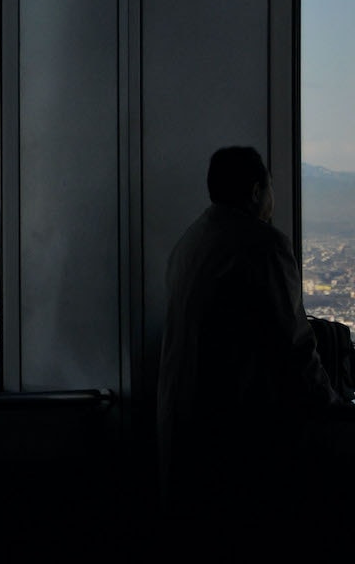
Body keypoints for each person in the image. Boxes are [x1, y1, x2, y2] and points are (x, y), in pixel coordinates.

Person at [157, 146, 355, 548]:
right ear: (255, 190)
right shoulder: (263, 246)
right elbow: (294, 346)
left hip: (184, 428)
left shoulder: (191, 242)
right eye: (270, 189)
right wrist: (333, 406)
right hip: (240, 437)